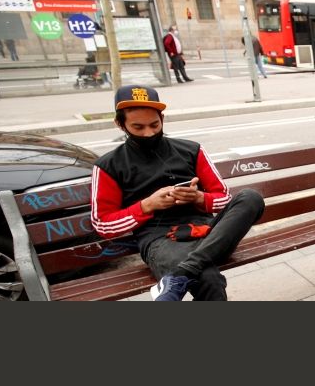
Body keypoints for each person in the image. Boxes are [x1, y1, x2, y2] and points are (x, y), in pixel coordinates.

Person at [90, 85, 265, 301]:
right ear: (120, 124)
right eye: (138, 127)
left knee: (251, 197)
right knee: (207, 277)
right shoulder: (108, 165)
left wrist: (199, 198)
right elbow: (102, 224)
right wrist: (147, 205)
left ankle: (182, 275)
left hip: (209, 232)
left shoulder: (191, 150)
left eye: (155, 124)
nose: (149, 133)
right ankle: (189, 271)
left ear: (162, 117)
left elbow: (224, 199)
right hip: (161, 239)